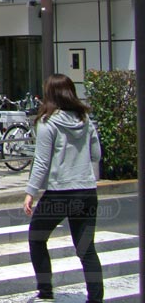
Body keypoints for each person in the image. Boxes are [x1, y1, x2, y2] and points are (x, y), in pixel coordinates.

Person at [24, 74, 102, 303]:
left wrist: (30, 192)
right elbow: (96, 155)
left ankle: (46, 293)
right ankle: (96, 299)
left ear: (50, 94)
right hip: (87, 190)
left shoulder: (47, 122)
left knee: (37, 237)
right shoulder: (85, 119)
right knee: (87, 248)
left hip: (60, 192)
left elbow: (42, 162)